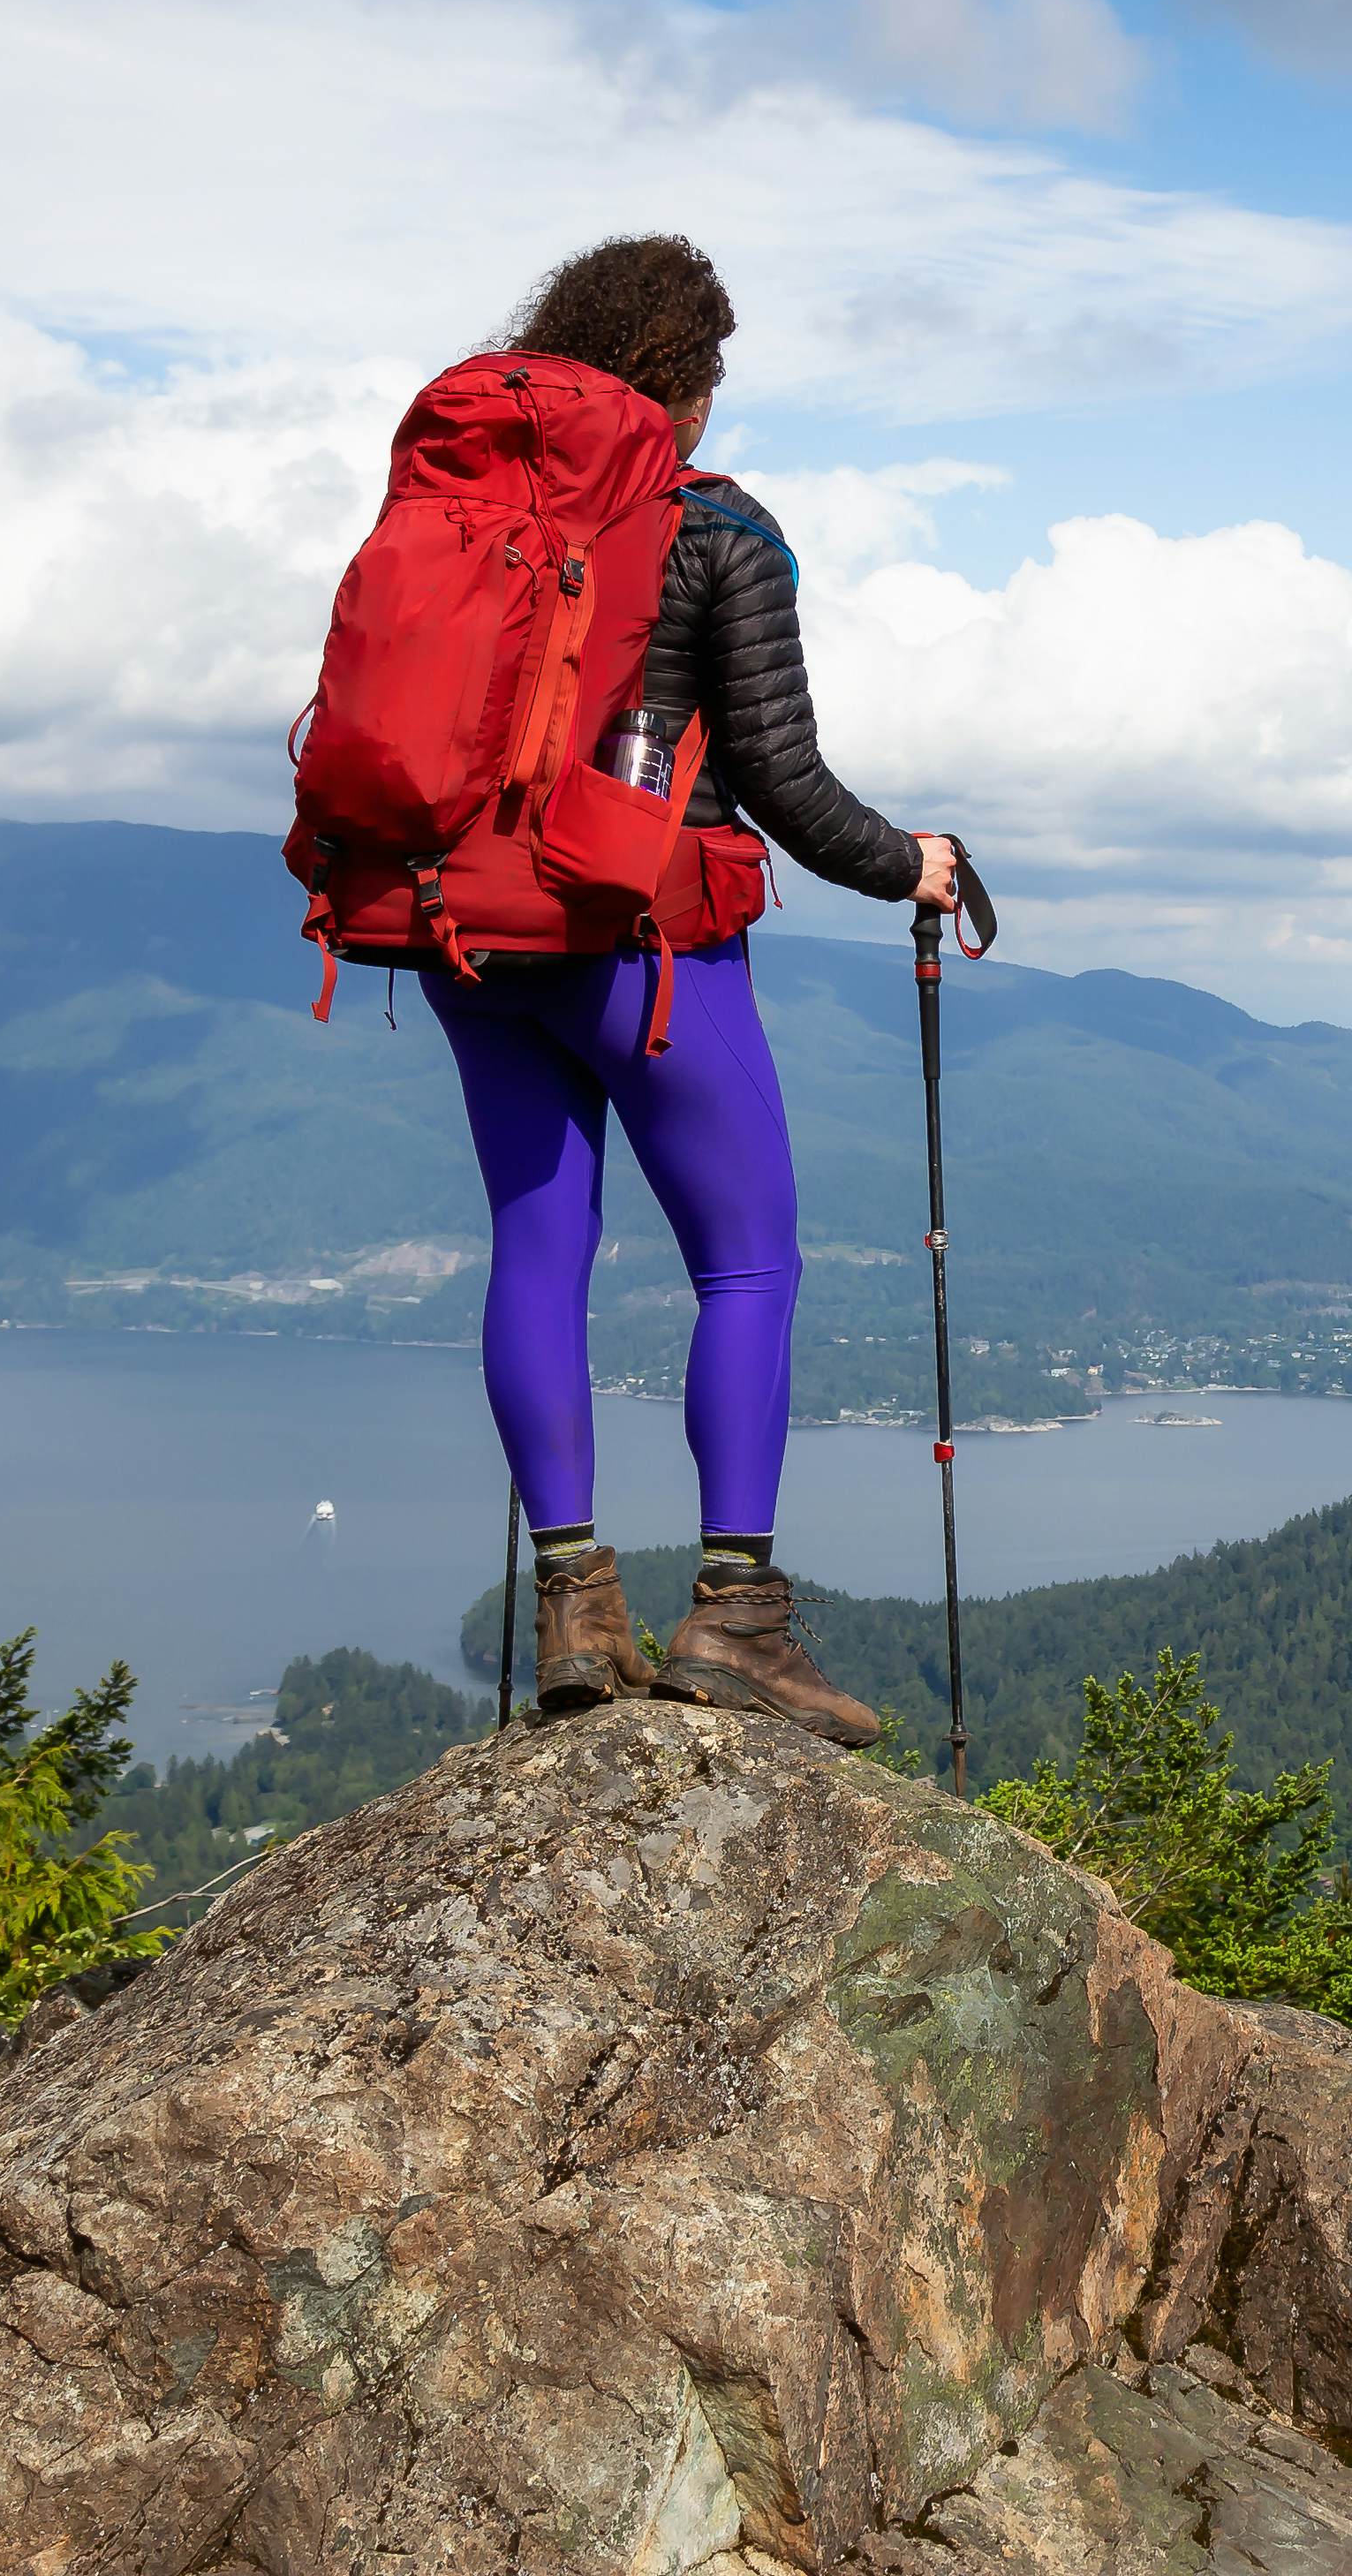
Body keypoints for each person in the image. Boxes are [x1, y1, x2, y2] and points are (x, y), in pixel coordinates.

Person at [415, 237, 955, 1741]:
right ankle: (737, 1619)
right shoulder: (716, 528)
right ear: (690, 385)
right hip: (641, 941)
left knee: (539, 1247)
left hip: (466, 935)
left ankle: (576, 1605)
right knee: (747, 1260)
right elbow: (778, 775)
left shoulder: (467, 513)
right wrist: (908, 862)